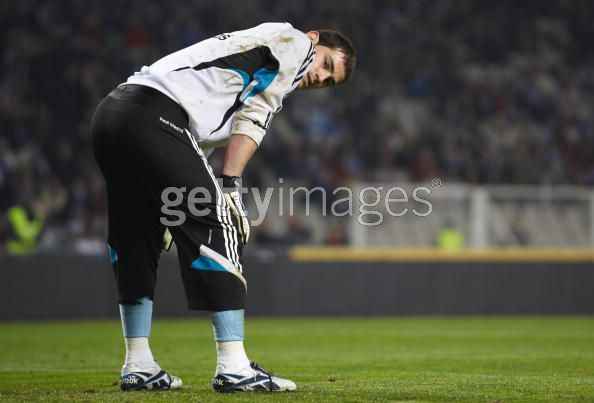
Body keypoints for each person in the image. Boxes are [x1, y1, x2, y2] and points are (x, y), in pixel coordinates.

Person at [91, 22, 356, 393]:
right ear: (315, 39)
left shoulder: (257, 54)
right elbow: (255, 116)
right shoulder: (296, 43)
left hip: (113, 115)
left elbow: (194, 141)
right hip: (155, 118)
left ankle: (138, 364)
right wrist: (229, 186)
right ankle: (233, 367)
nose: (320, 77)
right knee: (222, 222)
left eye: (329, 81)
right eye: (326, 64)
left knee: (137, 237)